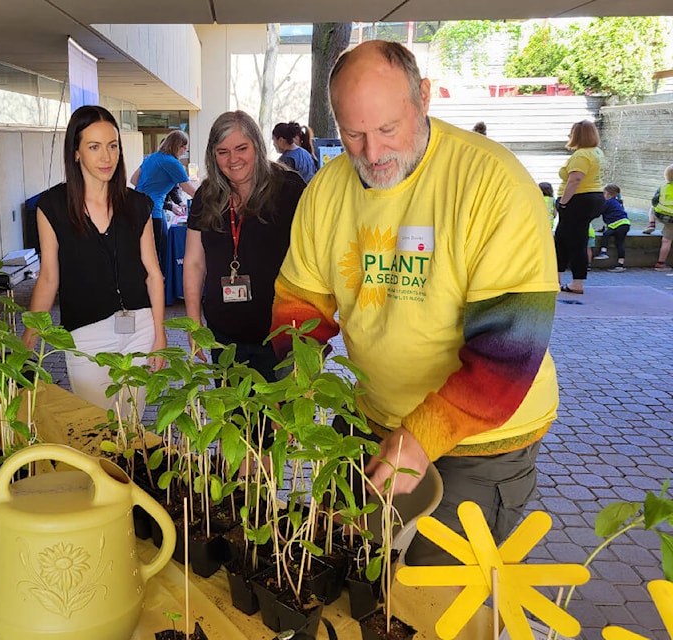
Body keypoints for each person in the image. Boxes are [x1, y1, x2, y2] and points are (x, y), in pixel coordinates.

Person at [269, 40, 559, 567]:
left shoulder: (492, 183)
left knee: (434, 598)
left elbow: (509, 354)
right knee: (352, 567)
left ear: (423, 97)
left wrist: (420, 437)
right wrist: (288, 405)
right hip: (374, 422)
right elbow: (299, 309)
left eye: (387, 129)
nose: (372, 154)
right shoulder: (327, 190)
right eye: (354, 135)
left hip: (481, 441)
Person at [22, 105, 167, 414]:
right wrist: (27, 341)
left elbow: (153, 274)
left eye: (113, 146)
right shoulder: (52, 206)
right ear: (76, 152)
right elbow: (49, 278)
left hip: (140, 329)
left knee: (132, 427)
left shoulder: (138, 204)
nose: (107, 157)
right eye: (94, 147)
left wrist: (160, 335)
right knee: (96, 426)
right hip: (86, 334)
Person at [184, 110, 306, 384]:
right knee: (232, 422)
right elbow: (194, 262)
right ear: (213, 155)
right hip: (225, 339)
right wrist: (193, 324)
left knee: (280, 425)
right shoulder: (206, 195)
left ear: (258, 146)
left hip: (282, 338)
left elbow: (313, 258)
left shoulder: (288, 188)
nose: (233, 159)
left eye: (241, 148)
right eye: (223, 151)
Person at [131, 131, 197, 269]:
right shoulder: (172, 162)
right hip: (153, 211)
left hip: (137, 208)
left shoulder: (151, 157)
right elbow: (190, 190)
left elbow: (134, 180)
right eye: (184, 148)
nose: (184, 152)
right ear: (178, 146)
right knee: (158, 255)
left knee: (144, 253)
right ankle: (161, 287)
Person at [554, 120, 606, 294]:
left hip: (578, 200)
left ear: (577, 135)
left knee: (563, 241)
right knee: (578, 240)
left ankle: (564, 280)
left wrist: (563, 203)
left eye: (572, 132)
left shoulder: (581, 155)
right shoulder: (596, 152)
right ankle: (575, 280)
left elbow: (575, 180)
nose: (569, 135)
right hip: (594, 197)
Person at [592, 184, 630, 272]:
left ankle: (603, 252)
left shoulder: (608, 202)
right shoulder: (616, 202)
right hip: (624, 224)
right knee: (620, 243)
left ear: (609, 194)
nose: (602, 195)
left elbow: (598, 213)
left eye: (604, 193)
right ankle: (620, 264)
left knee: (606, 234)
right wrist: (603, 228)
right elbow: (613, 216)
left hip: (618, 224)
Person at [650, 164, 673, 271]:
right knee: (667, 241)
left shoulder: (662, 188)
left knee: (651, 209)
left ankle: (651, 223)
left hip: (660, 215)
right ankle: (660, 263)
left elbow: (654, 201)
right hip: (672, 220)